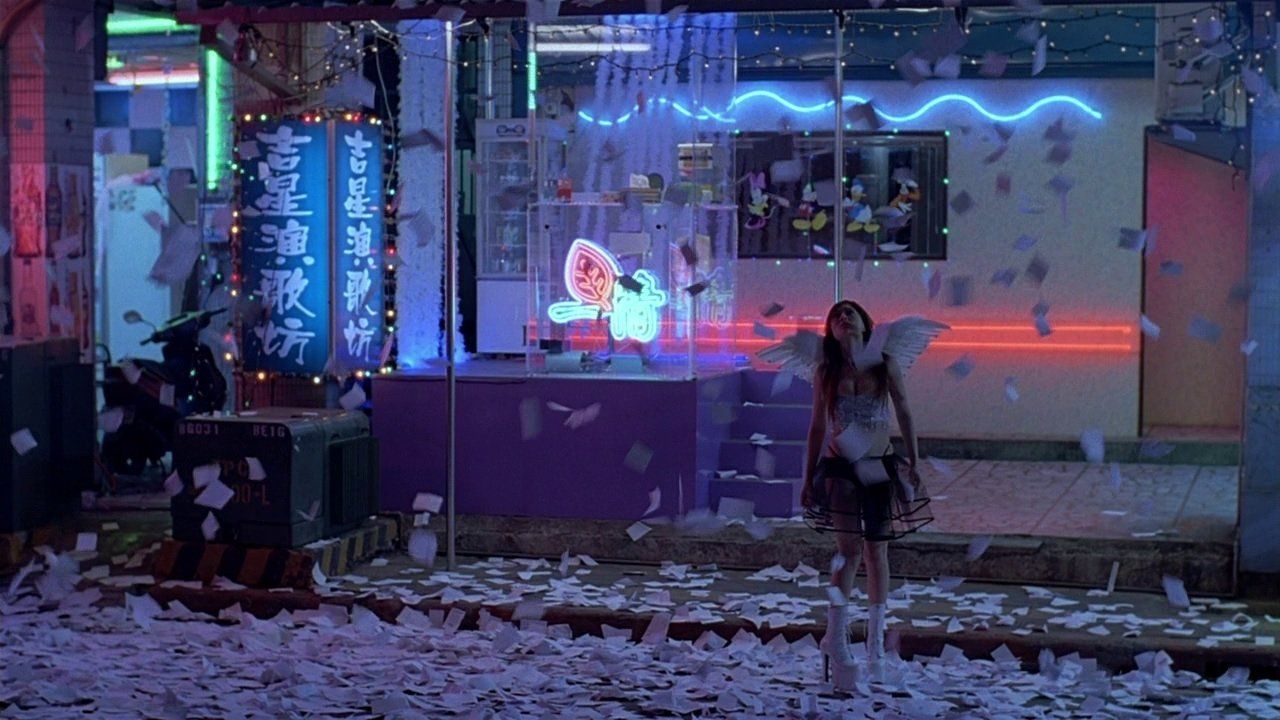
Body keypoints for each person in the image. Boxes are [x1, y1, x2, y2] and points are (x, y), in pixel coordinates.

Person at [802, 300, 932, 690]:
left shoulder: (885, 363)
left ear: (865, 323)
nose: (844, 317)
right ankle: (836, 638)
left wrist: (914, 459)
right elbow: (816, 426)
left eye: (851, 313)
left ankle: (875, 646)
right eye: (836, 315)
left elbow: (904, 410)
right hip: (840, 468)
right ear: (830, 330)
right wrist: (806, 478)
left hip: (878, 465)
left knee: (877, 550)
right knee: (848, 551)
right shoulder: (826, 371)